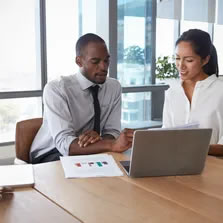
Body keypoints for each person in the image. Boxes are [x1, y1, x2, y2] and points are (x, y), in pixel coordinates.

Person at [30, 33, 134, 163]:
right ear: (79, 61)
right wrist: (111, 144)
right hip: (51, 153)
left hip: (91, 151)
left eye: (106, 60)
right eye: (95, 61)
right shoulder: (56, 89)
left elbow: (112, 131)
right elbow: (64, 144)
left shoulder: (114, 87)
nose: (103, 67)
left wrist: (101, 139)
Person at [162, 29, 223, 156]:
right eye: (178, 58)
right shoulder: (172, 92)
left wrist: (196, 148)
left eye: (189, 60)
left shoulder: (220, 91)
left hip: (214, 169)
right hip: (175, 166)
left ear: (205, 60)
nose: (181, 65)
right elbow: (165, 133)